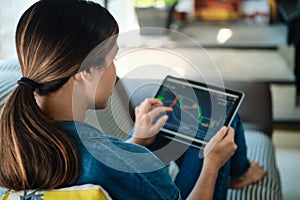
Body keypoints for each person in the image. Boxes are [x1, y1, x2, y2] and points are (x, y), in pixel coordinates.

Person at [0, 0, 266, 199]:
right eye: (112, 59)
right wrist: (212, 164)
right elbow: (112, 168)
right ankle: (239, 172)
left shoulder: (14, 141)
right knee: (221, 121)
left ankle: (237, 170)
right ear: (85, 73)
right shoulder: (113, 160)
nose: (115, 71)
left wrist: (136, 140)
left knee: (168, 123)